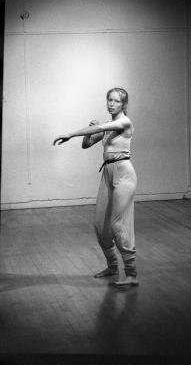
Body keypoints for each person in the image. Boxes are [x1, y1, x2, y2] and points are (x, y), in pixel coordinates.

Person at [53, 87, 138, 287]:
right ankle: (112, 267)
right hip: (107, 174)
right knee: (100, 225)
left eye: (116, 101)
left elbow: (97, 130)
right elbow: (88, 143)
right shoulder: (109, 125)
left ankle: (132, 274)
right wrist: (87, 131)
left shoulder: (124, 122)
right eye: (109, 99)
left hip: (124, 174)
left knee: (117, 224)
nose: (111, 103)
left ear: (123, 104)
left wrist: (70, 133)